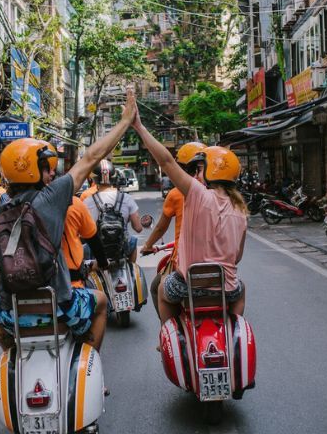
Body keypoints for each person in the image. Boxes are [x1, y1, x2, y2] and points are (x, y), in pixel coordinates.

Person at [0, 88, 138, 352]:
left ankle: (11, 356)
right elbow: (91, 157)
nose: (51, 173)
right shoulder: (51, 199)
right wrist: (125, 122)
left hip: (12, 312)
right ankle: (89, 363)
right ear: (33, 171)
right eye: (46, 168)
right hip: (62, 307)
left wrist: (9, 293)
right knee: (102, 302)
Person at [131, 110, 248, 324]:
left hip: (188, 286)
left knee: (163, 293)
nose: (196, 174)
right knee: (242, 291)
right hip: (227, 289)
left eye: (200, 168)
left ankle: (170, 333)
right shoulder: (241, 210)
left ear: (212, 170)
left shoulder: (196, 193)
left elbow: (166, 162)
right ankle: (232, 327)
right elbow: (237, 257)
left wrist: (139, 127)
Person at [141, 141, 206, 316]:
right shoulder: (219, 195)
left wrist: (147, 246)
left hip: (184, 265)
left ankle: (166, 333)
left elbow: (161, 227)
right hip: (215, 268)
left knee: (156, 288)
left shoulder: (178, 193)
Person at [83, 160, 143, 267]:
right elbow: (138, 228)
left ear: (94, 179)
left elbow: (82, 233)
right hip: (122, 249)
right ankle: (131, 270)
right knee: (133, 241)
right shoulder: (127, 198)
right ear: (114, 177)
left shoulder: (87, 202)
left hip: (97, 251)